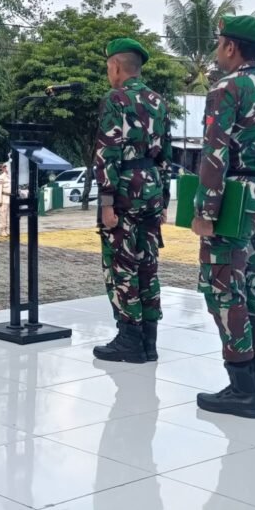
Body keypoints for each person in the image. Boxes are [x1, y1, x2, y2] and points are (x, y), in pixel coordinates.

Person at [192, 16, 255, 418]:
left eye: (220, 44)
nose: (218, 50)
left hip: (234, 198)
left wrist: (205, 212)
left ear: (231, 47)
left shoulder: (226, 88)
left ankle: (241, 390)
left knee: (223, 290)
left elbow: (214, 153)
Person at [91, 37, 172, 364]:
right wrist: (164, 200)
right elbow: (166, 154)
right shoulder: (158, 101)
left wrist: (106, 202)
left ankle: (129, 340)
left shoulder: (115, 99)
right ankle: (149, 343)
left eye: (108, 67)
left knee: (121, 266)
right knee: (147, 265)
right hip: (151, 191)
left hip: (124, 193)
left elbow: (107, 152)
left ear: (116, 66)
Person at [0, 165, 12, 237]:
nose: (7, 168)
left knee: (9, 215)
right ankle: (3, 230)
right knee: (3, 215)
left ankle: (8, 229)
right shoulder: (1, 177)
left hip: (10, 198)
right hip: (4, 198)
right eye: (6, 167)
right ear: (4, 168)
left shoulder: (11, 176)